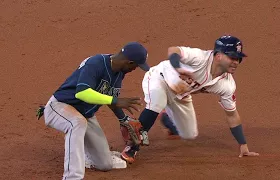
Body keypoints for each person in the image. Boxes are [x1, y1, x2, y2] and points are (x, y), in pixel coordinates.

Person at [120, 35, 259, 164]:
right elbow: (173, 50)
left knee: (190, 134)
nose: (236, 62)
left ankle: (167, 119)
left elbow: (232, 115)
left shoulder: (227, 85)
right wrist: (178, 67)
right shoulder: (200, 57)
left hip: (181, 94)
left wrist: (243, 145)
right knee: (156, 103)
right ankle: (132, 147)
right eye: (232, 57)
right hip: (160, 79)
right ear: (218, 56)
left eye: (238, 58)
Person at [38, 42, 149, 180]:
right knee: (76, 123)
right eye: (136, 65)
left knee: (105, 164)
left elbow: (110, 97)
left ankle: (82, 155)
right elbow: (82, 93)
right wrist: (115, 101)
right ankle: (72, 177)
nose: (135, 68)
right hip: (59, 106)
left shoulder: (119, 73)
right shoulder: (96, 63)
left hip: (86, 115)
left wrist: (123, 119)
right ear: (129, 62)